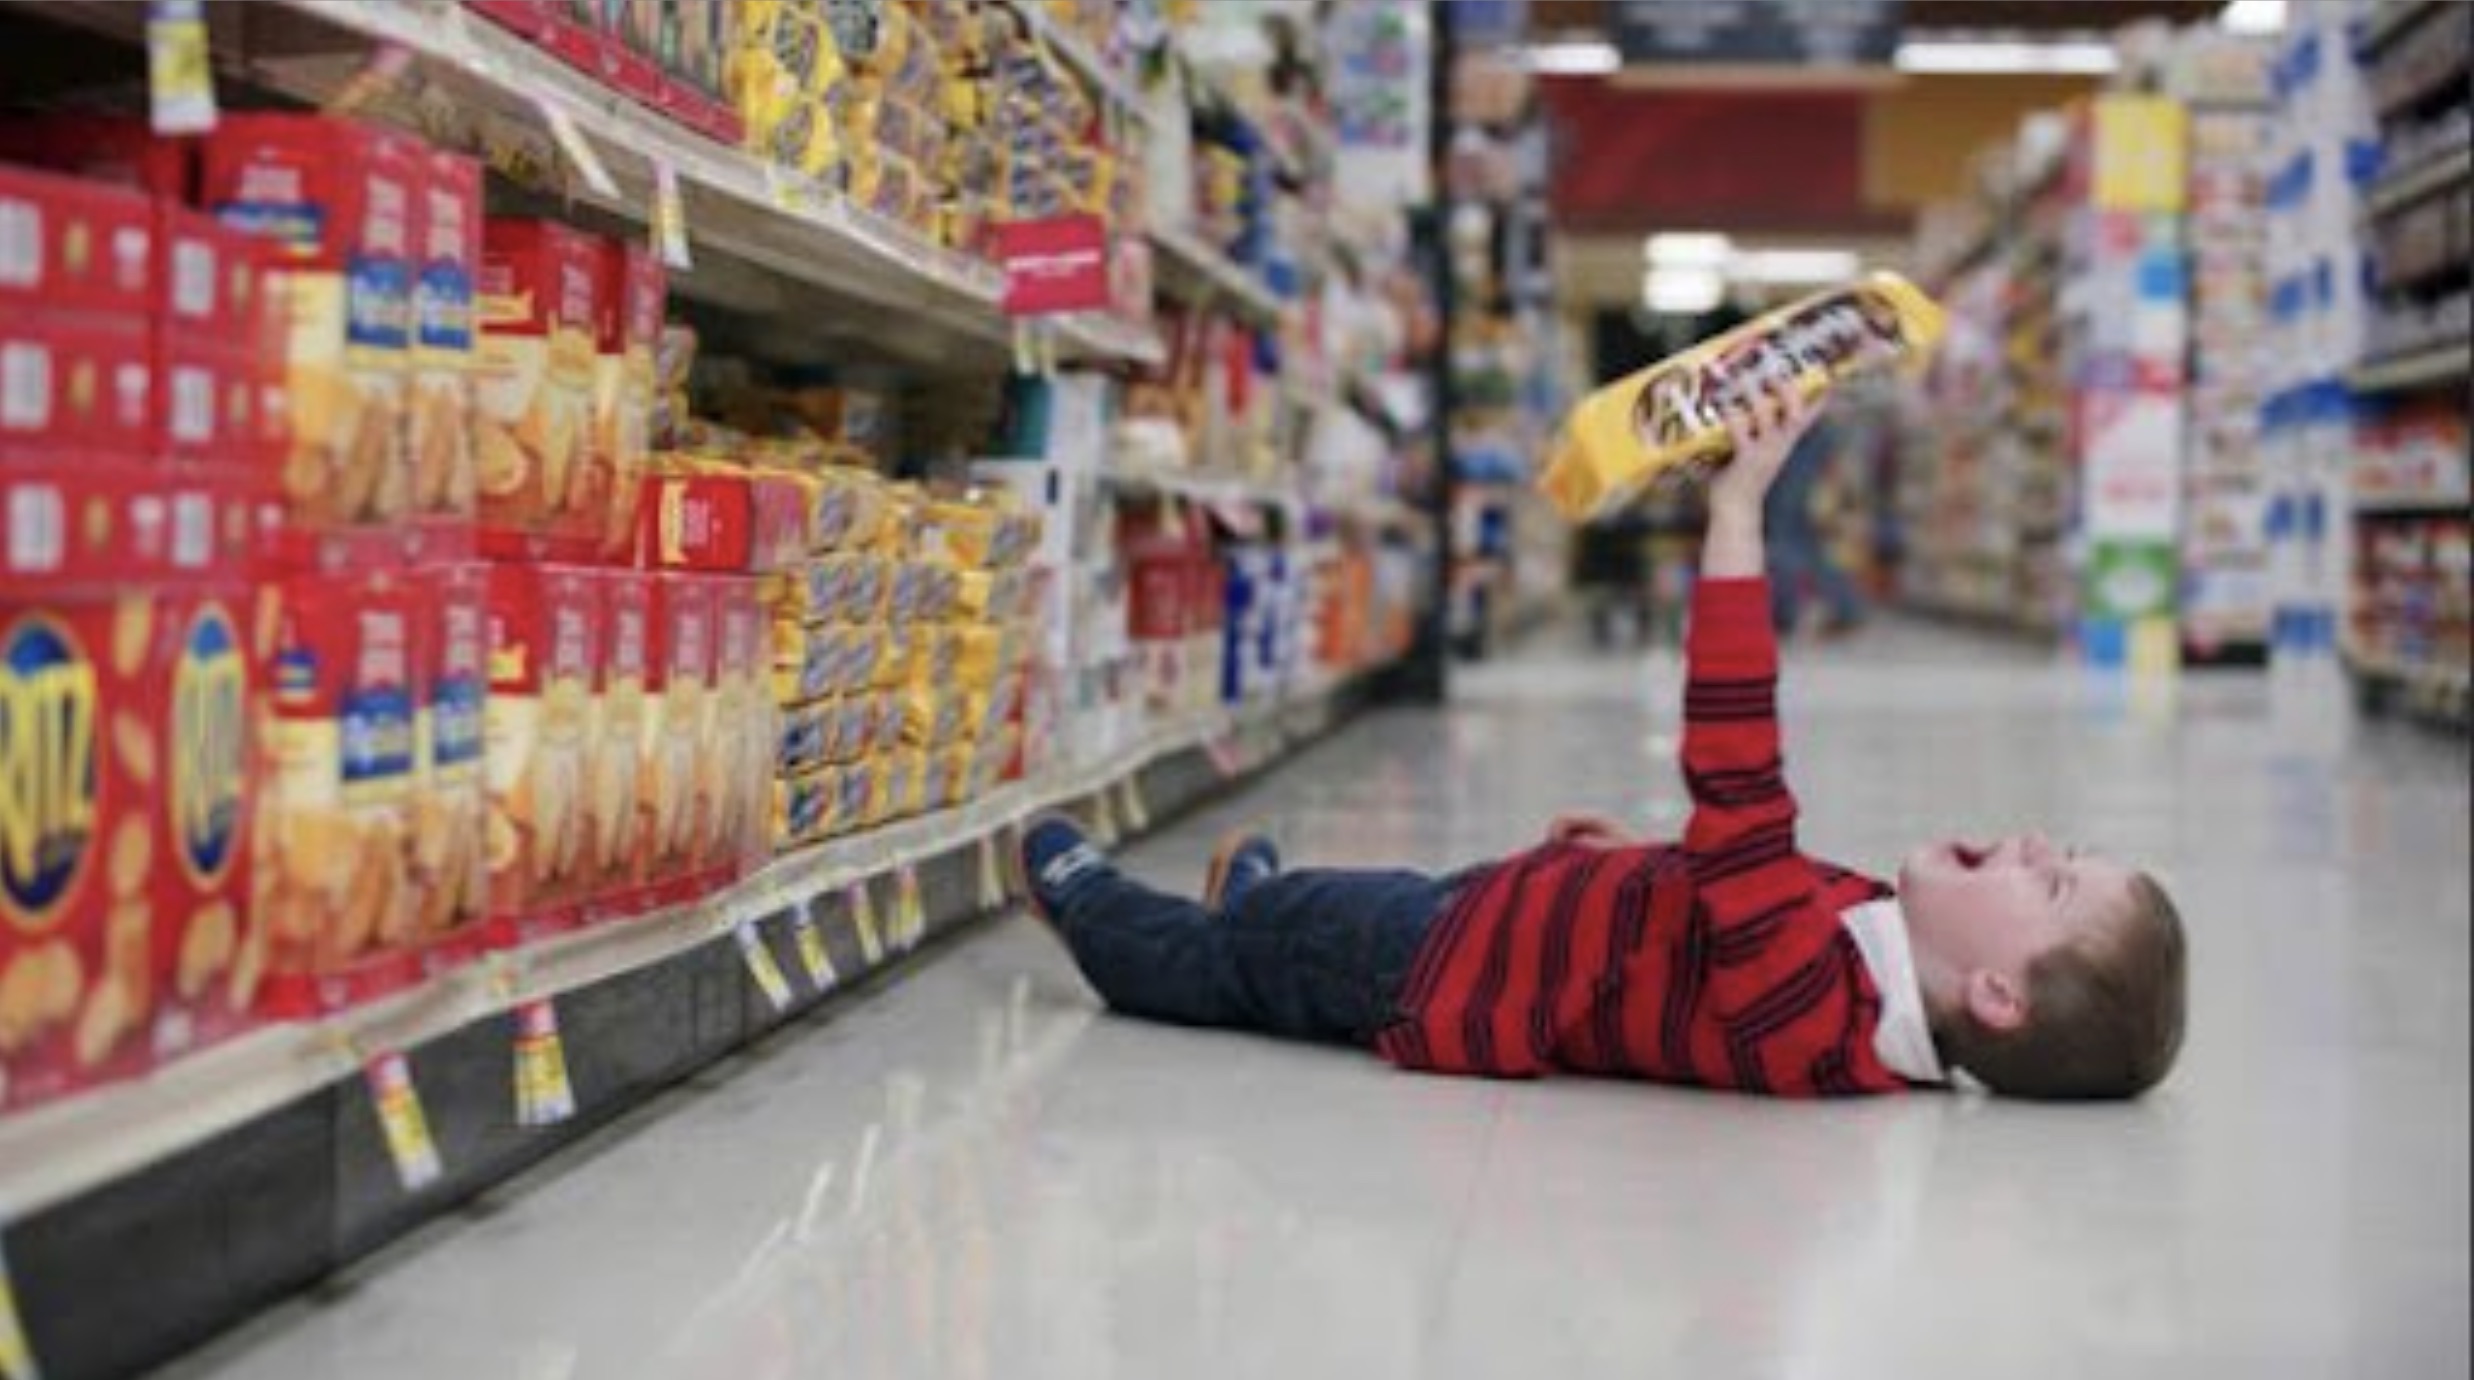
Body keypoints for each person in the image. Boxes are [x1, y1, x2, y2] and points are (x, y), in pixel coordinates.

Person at [1016, 385, 2188, 1100]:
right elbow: (1721, 911)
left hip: (1441, 968)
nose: (2034, 842)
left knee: (1252, 960)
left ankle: (1106, 914)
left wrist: (1735, 514)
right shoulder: (1853, 999)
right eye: (2062, 847)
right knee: (1325, 912)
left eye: (2052, 881)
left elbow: (1738, 780)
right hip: (1518, 917)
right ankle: (1266, 911)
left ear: (1993, 997)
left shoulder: (1811, 1004)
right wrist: (1642, 866)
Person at [1766, 409, 1866, 637]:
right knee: (1801, 542)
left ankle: (1785, 613)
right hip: (1803, 430)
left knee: (1786, 534)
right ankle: (1843, 607)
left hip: (1801, 430)